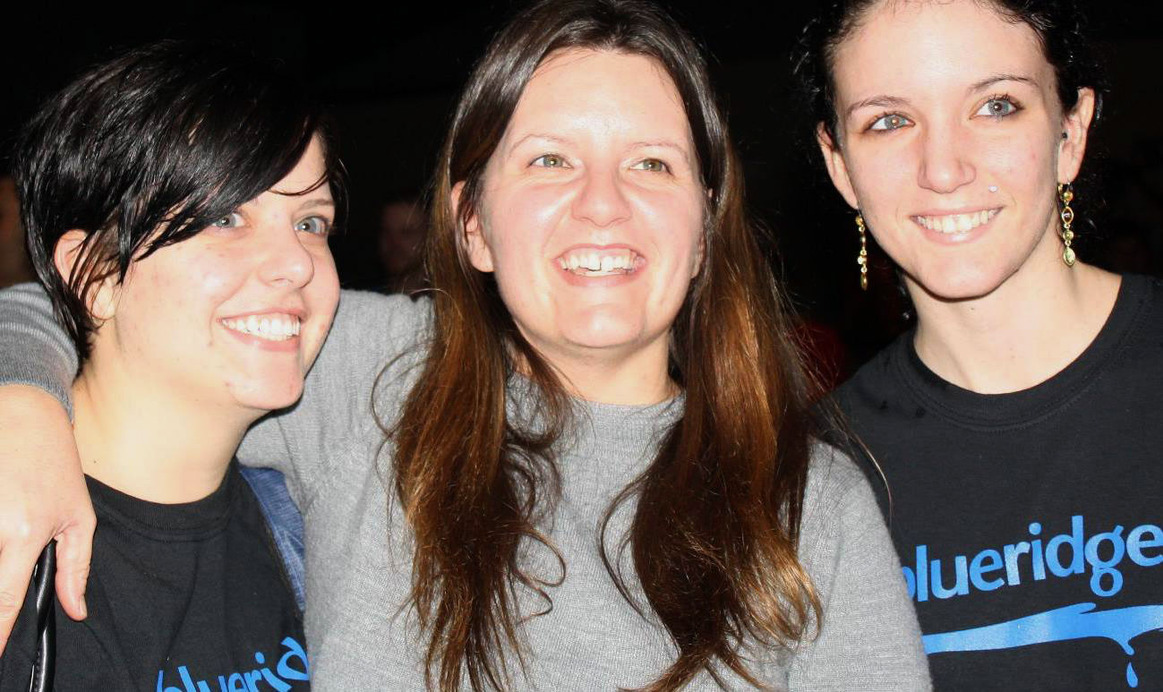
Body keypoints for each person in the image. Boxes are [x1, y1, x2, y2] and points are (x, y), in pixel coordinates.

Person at [0, 1, 930, 689]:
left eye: (651, 164)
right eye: (549, 160)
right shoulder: (368, 372)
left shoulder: (806, 503)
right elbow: (96, 292)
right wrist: (23, 401)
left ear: (703, 228)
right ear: (472, 224)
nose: (602, 205)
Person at [799, 0, 1163, 688]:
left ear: (1070, 132)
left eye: (996, 107)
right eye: (889, 121)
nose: (943, 169)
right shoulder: (809, 478)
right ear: (839, 164)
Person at [0, 41, 343, 689]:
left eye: (311, 223)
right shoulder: (13, 536)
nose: (297, 264)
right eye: (227, 217)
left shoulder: (317, 528)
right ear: (95, 274)